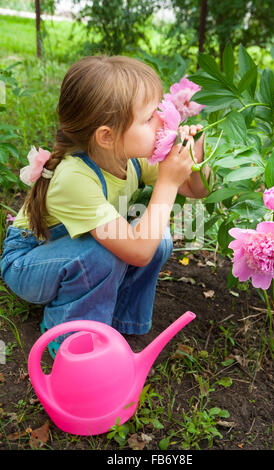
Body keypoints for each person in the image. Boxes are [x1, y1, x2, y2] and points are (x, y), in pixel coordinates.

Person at [0, 55, 209, 358]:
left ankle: (120, 323)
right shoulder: (74, 177)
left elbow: (193, 189)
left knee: (158, 239)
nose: (163, 120)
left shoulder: (131, 156)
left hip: (71, 250)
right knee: (101, 255)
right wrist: (166, 183)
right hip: (28, 262)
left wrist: (195, 156)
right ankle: (73, 345)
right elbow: (138, 252)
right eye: (149, 118)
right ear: (107, 137)